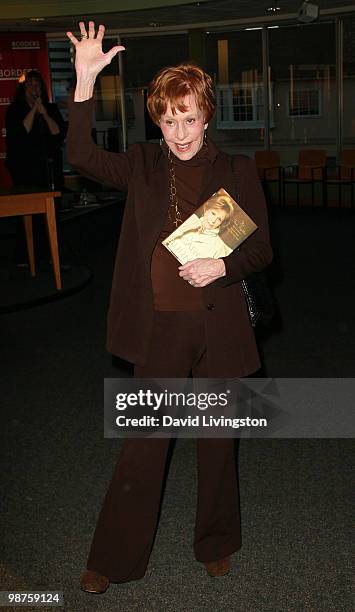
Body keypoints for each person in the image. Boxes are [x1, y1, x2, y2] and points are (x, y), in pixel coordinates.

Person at [66, 21, 273, 593]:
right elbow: (80, 152)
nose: (180, 132)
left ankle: (216, 542)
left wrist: (222, 266)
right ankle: (112, 559)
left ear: (207, 115)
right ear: (156, 120)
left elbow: (262, 249)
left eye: (189, 118)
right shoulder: (142, 166)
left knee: (215, 447)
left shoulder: (236, 172)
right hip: (159, 330)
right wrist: (85, 82)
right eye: (168, 119)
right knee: (143, 448)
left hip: (219, 327)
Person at [5, 70, 66, 264]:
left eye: (38, 85)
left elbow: (58, 133)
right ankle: (25, 255)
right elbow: (23, 131)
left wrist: (45, 113)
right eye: (30, 85)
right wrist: (34, 110)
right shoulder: (15, 109)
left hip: (48, 168)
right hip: (25, 169)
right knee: (28, 212)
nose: (35, 88)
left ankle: (51, 254)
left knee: (51, 211)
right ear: (23, 89)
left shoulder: (50, 108)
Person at [164, 195, 235, 262]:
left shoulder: (219, 248)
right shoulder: (189, 219)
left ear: (222, 223)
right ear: (206, 209)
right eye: (213, 213)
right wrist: (189, 227)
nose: (213, 221)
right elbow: (166, 241)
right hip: (164, 254)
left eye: (219, 219)